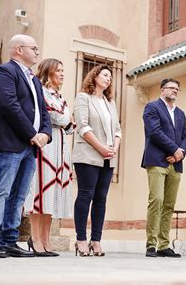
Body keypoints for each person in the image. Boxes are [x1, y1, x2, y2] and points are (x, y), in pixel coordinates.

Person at [0, 34, 52, 258]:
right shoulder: (4, 72)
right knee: (1, 191)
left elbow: (43, 111)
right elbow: (9, 106)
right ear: (19, 49)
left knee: (19, 196)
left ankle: (9, 241)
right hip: (10, 143)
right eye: (34, 48)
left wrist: (45, 134)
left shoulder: (35, 80)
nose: (38, 52)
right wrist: (32, 134)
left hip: (30, 147)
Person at [23, 58, 75, 257]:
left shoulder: (60, 97)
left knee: (52, 194)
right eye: (58, 70)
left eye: (63, 70)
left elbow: (70, 126)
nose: (62, 74)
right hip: (45, 146)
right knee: (40, 192)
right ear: (48, 73)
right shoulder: (41, 93)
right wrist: (65, 120)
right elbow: (58, 117)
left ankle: (45, 240)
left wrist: (65, 120)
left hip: (60, 148)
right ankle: (34, 238)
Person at [72, 64, 121, 257]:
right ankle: (81, 240)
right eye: (105, 75)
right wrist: (101, 147)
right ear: (94, 77)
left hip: (108, 158)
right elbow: (82, 126)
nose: (108, 78)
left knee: (101, 199)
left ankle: (96, 240)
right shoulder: (83, 98)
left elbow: (117, 128)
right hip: (88, 155)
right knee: (85, 195)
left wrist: (114, 148)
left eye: (110, 76)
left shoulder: (110, 102)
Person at [142, 78, 186, 258]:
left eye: (177, 89)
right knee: (157, 200)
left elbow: (185, 136)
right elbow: (154, 132)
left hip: (176, 163)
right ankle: (151, 244)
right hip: (157, 161)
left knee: (169, 205)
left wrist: (180, 152)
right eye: (171, 88)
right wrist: (174, 149)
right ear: (162, 90)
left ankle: (163, 245)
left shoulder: (181, 113)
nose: (175, 91)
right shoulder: (152, 107)